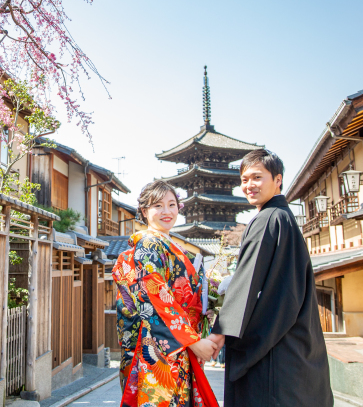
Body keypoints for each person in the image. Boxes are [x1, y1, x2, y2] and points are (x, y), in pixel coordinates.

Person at [208, 149, 333, 406]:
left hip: (273, 352)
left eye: (257, 177)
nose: (249, 185)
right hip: (293, 343)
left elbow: (248, 281)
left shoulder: (267, 219)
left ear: (278, 180)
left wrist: (218, 335)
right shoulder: (283, 218)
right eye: (244, 179)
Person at [112, 180, 219, 407]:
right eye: (158, 206)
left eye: (172, 205)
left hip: (176, 345)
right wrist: (193, 342)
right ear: (144, 211)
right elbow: (156, 299)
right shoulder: (148, 245)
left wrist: (200, 336)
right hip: (158, 349)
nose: (167, 211)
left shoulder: (171, 246)